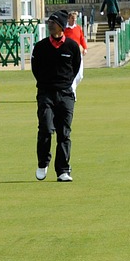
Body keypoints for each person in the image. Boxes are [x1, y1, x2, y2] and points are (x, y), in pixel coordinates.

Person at [31, 11, 83, 182]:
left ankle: (63, 170)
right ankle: (42, 162)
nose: (50, 25)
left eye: (53, 22)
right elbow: (35, 69)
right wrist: (47, 85)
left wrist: (67, 86)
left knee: (64, 133)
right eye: (49, 22)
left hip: (66, 94)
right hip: (46, 93)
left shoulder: (72, 47)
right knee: (46, 128)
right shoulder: (40, 47)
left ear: (61, 25)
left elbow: (76, 69)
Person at [64, 11, 88, 95]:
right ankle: (72, 92)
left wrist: (85, 48)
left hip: (77, 53)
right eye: (72, 19)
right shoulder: (64, 29)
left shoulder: (78, 28)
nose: (74, 20)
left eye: (75, 19)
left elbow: (81, 38)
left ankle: (71, 89)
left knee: (80, 75)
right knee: (71, 73)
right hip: (68, 54)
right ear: (68, 19)